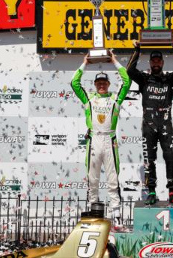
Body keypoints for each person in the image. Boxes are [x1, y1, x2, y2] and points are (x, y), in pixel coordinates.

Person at [71, 52, 131, 230]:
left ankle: (117, 217)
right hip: (94, 140)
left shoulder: (116, 98)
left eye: (105, 83)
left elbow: (127, 82)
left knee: (113, 180)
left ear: (109, 84)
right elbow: (74, 83)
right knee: (93, 180)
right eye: (99, 83)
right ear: (95, 85)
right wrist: (84, 64)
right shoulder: (88, 97)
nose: (102, 85)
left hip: (110, 140)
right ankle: (94, 214)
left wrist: (114, 61)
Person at [127, 41, 173, 206]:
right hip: (148, 125)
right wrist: (137, 49)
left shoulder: (169, 79)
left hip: (166, 125)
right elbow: (130, 70)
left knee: (170, 158)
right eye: (153, 60)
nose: (155, 63)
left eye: (158, 60)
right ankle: (151, 192)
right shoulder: (144, 79)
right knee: (149, 160)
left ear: (162, 62)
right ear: (150, 63)